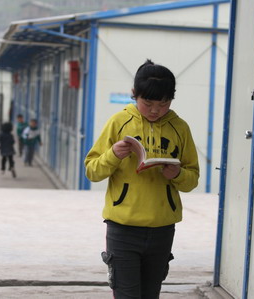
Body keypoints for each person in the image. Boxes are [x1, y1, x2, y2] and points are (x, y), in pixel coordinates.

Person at [85, 59, 199, 298]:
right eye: (148, 102)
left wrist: (178, 174)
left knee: (151, 294)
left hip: (162, 229)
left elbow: (192, 179)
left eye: (164, 103)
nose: (156, 110)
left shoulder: (180, 128)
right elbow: (92, 171)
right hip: (123, 229)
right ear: (134, 95)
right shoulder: (119, 122)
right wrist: (113, 155)